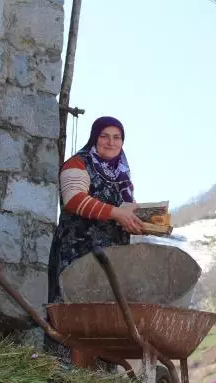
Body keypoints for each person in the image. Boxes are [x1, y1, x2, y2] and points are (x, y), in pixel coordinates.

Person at [46, 116, 144, 364]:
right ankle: (60, 369)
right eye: (104, 136)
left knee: (106, 311)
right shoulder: (78, 163)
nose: (111, 142)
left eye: (117, 137)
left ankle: (100, 376)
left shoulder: (122, 174)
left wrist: (139, 221)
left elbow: (124, 209)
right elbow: (74, 199)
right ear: (94, 137)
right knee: (71, 306)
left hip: (111, 256)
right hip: (78, 251)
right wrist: (117, 213)